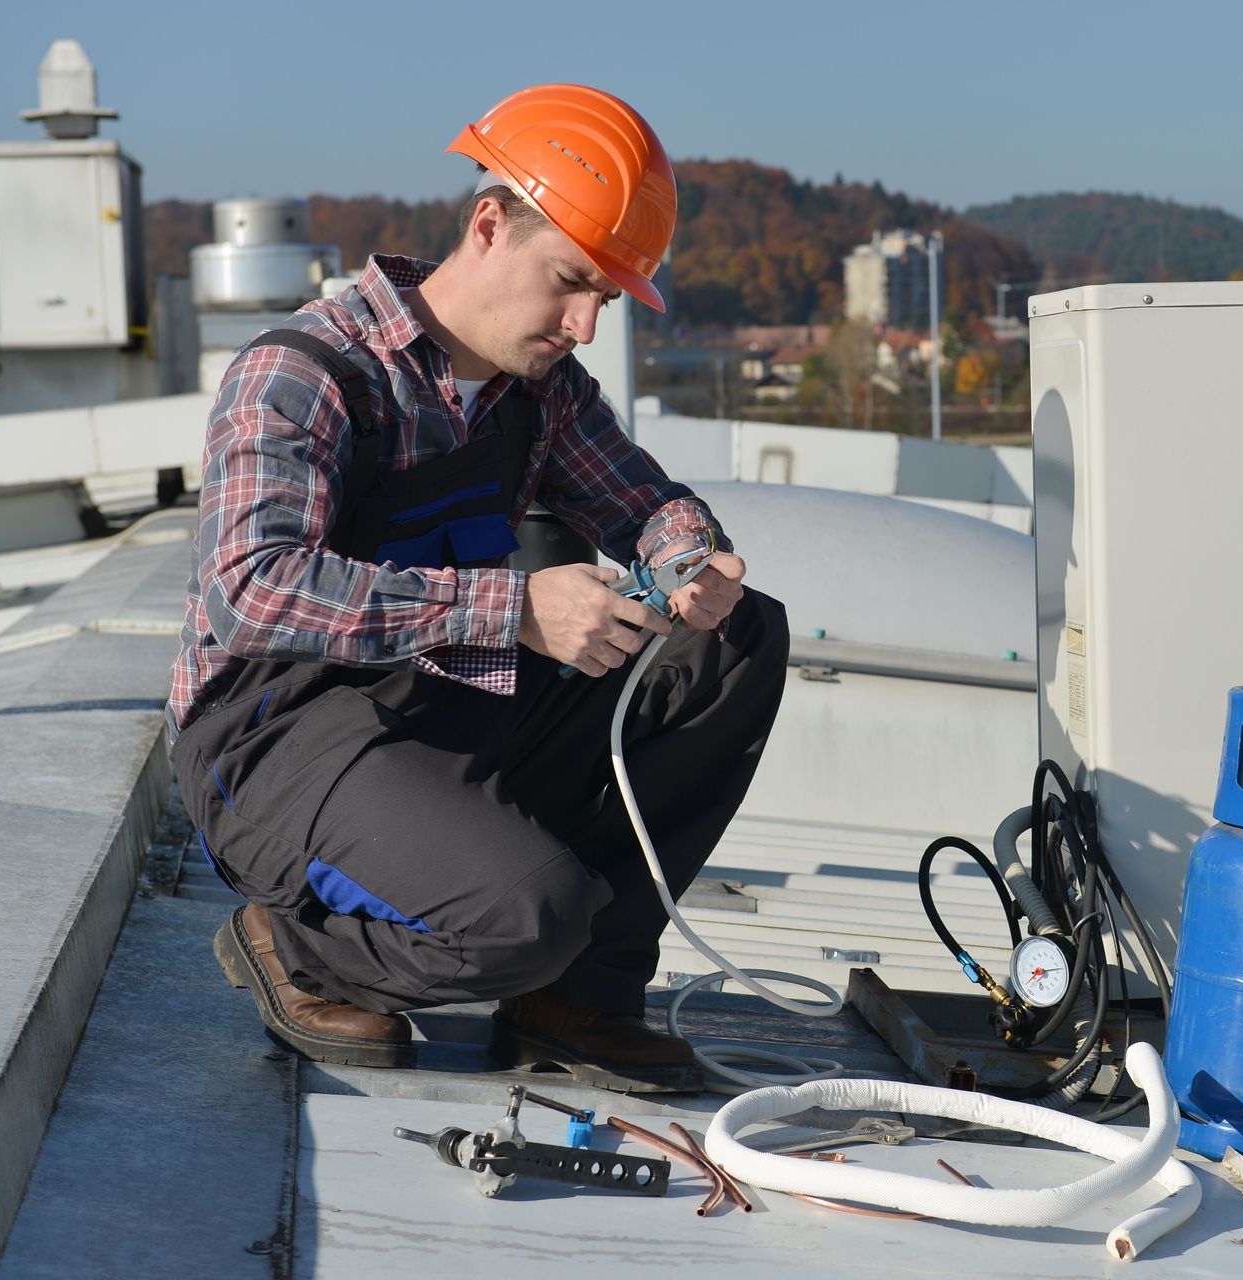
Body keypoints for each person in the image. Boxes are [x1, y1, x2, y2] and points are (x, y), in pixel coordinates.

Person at [166, 84, 786, 1093]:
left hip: (440, 700)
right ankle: (296, 947)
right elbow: (251, 586)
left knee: (735, 641)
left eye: (609, 299)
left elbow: (643, 497)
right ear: (489, 225)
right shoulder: (306, 372)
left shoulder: (537, 389)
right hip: (278, 740)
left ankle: (577, 997)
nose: (585, 323)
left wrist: (685, 559)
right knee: (532, 915)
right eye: (571, 283)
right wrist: (515, 610)